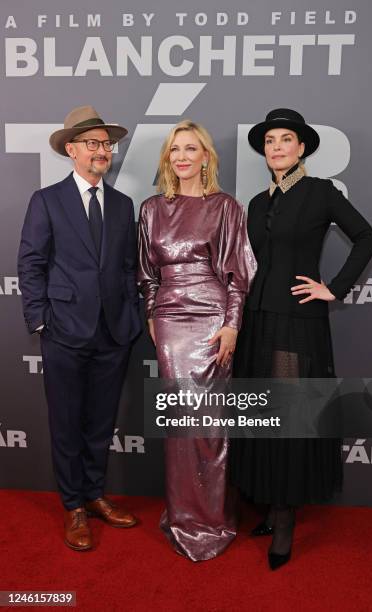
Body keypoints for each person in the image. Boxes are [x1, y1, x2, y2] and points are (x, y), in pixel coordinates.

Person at [231, 108, 372, 570]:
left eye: (285, 140)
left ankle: (286, 516)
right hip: (257, 321)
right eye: (269, 140)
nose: (276, 147)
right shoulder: (256, 203)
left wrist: (333, 287)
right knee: (261, 416)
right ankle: (271, 503)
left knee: (290, 417)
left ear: (301, 148)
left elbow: (367, 238)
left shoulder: (321, 193)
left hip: (297, 322)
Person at [18, 106, 141, 551]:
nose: (102, 150)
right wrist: (40, 319)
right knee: (67, 422)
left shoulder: (125, 205)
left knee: (100, 422)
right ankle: (72, 505)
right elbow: (30, 264)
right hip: (64, 331)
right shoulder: (46, 200)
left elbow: (128, 267)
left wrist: (131, 313)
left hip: (114, 333)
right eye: (93, 143)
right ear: (71, 150)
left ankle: (94, 495)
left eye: (107, 144)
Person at [138, 120, 257, 561]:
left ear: (206, 157)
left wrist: (232, 324)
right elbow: (146, 275)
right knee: (179, 421)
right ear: (168, 159)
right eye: (175, 150)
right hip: (169, 320)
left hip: (212, 318)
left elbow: (237, 276)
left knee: (210, 421)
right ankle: (183, 512)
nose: (183, 157)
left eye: (191, 149)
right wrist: (152, 315)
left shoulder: (225, 206)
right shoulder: (151, 208)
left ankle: (214, 516)